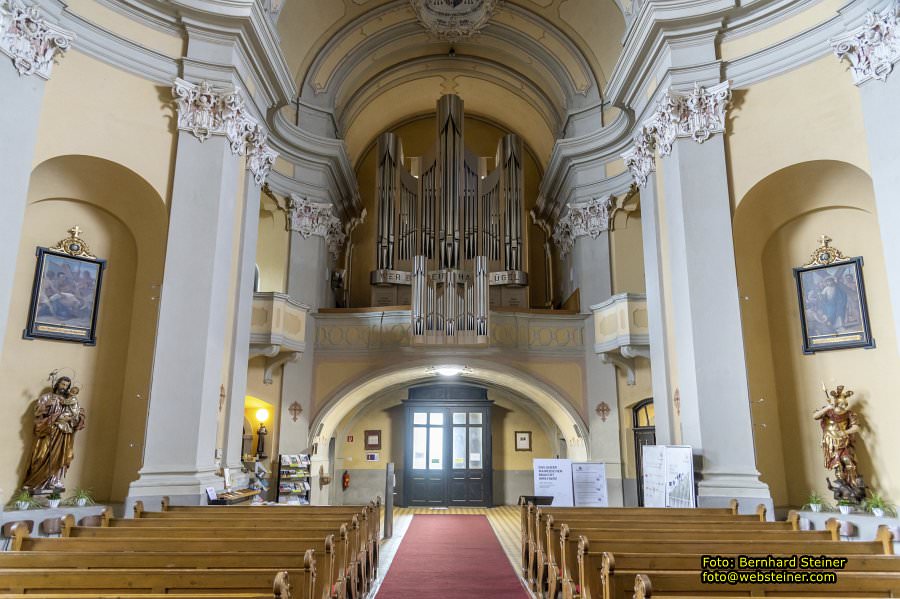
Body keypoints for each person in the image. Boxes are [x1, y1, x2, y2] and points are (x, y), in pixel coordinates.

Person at [22, 377, 86, 493]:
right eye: (62, 384)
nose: (64, 387)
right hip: (48, 431)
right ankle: (34, 482)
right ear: (57, 384)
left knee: (59, 456)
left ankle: (53, 480)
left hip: (63, 434)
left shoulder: (70, 400)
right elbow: (37, 412)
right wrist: (47, 406)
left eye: (67, 385)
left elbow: (78, 413)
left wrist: (74, 418)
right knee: (41, 455)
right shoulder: (46, 397)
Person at [813, 385, 861, 490]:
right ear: (836, 403)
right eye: (841, 404)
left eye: (845, 404)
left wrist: (845, 432)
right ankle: (843, 489)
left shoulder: (849, 414)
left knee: (849, 462)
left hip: (844, 442)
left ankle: (853, 487)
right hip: (830, 442)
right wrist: (827, 408)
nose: (843, 406)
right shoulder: (828, 412)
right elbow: (815, 416)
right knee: (837, 466)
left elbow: (856, 427)